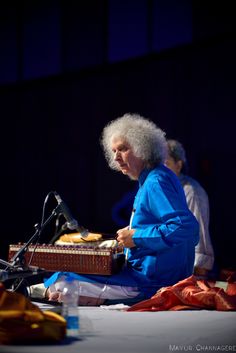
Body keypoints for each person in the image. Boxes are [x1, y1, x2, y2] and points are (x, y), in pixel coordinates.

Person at [31, 113, 199, 306]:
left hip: (150, 282)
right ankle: (96, 298)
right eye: (114, 151)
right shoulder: (154, 178)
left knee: (62, 281)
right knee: (61, 280)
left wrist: (136, 237)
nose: (116, 158)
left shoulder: (156, 181)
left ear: (143, 148)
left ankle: (98, 298)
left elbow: (187, 228)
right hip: (151, 276)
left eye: (123, 149)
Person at [165, 139, 215, 277]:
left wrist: (197, 277)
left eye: (166, 164)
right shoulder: (160, 190)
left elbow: (200, 237)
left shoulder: (191, 192)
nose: (161, 170)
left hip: (186, 274)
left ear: (178, 165)